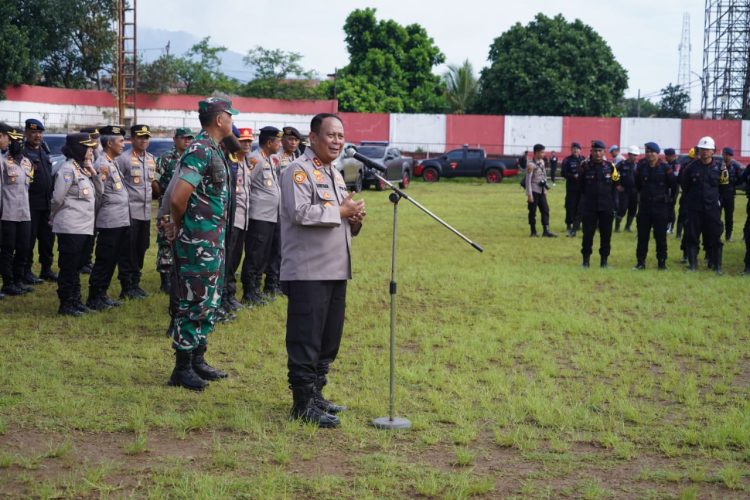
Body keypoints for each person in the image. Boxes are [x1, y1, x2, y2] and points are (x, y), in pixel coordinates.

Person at [279, 112, 365, 427]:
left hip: (335, 268)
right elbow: (300, 212)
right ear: (313, 138)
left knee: (328, 338)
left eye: (341, 136)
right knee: (306, 338)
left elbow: (338, 217)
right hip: (308, 270)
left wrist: (354, 219)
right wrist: (341, 210)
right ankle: (301, 404)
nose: (337, 141)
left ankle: (316, 394)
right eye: (331, 135)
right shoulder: (297, 172)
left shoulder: (335, 173)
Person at [163, 97, 237, 391]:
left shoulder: (214, 149)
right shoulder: (199, 149)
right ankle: (181, 368)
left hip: (212, 240)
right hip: (197, 242)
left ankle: (197, 360)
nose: (233, 121)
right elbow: (178, 198)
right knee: (193, 302)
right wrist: (183, 229)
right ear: (220, 119)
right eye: (230, 116)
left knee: (208, 301)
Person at [51, 133, 102, 316]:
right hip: (70, 227)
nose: (91, 150)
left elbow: (100, 192)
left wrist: (94, 172)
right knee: (68, 266)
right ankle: (66, 304)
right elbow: (57, 198)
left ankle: (76, 300)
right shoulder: (67, 169)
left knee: (77, 266)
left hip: (84, 227)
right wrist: (53, 216)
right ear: (79, 149)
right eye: (88, 148)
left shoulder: (82, 169)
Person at [86, 125, 130, 310]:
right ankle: (94, 297)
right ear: (109, 143)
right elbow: (98, 193)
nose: (123, 144)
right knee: (104, 259)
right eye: (120, 141)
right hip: (110, 221)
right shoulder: (102, 164)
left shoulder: (111, 162)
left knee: (112, 259)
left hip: (119, 220)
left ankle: (102, 294)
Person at [241, 126, 282, 304]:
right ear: (269, 142)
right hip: (258, 216)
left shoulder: (268, 159)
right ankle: (249, 291)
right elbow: (245, 185)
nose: (280, 145)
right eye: (278, 141)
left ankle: (256, 289)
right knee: (255, 255)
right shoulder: (255, 159)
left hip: (270, 216)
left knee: (263, 256)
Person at [115, 124, 156, 299]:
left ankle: (135, 282)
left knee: (142, 247)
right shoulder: (123, 159)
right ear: (132, 139)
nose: (143, 140)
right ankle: (126, 286)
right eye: (140, 137)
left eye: (146, 137)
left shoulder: (151, 159)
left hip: (146, 212)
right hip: (130, 212)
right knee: (128, 249)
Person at [154, 127, 194, 293]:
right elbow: (155, 181)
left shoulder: (191, 158)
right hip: (168, 205)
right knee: (165, 241)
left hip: (184, 206)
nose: (187, 141)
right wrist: (163, 196)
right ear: (175, 139)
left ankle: (178, 276)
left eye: (189, 138)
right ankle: (165, 280)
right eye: (183, 138)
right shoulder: (166, 158)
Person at [681, 136, 724, 273]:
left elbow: (724, 187)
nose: (705, 152)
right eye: (702, 149)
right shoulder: (690, 168)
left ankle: (717, 266)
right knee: (692, 236)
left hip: (712, 208)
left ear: (713, 151)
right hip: (695, 208)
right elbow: (685, 186)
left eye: (708, 150)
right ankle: (693, 266)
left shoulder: (720, 168)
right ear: (698, 151)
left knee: (715, 236)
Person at [0, 126, 34, 296]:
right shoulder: (4, 162)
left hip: (25, 212)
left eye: (20, 141)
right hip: (8, 212)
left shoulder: (27, 163)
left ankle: (18, 279)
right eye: (14, 141)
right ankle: (7, 282)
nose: (17, 144)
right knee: (8, 248)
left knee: (24, 247)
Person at [632, 142, 677, 270]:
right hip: (645, 206)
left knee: (661, 237)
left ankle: (662, 263)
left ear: (658, 153)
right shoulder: (641, 166)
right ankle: (640, 262)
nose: (649, 154)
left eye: (652, 152)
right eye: (647, 151)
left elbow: (674, 186)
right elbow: (637, 184)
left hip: (660, 206)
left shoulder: (665, 167)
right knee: (642, 236)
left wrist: (670, 203)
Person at [23, 118, 57, 284]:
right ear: (27, 134)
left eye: (40, 133)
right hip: (31, 204)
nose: (37, 136)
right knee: (28, 240)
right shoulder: (22, 152)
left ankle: (46, 269)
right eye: (34, 133)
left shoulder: (44, 150)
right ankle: (26, 271)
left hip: (46, 204)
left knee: (47, 239)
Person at [224, 127, 254, 310]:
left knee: (235, 258)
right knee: (228, 260)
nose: (247, 144)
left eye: (249, 141)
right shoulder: (230, 162)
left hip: (243, 218)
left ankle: (229, 295)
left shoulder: (244, 163)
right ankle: (225, 296)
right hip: (231, 219)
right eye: (243, 141)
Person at [578, 140, 619, 268]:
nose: (597, 153)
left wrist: (614, 204)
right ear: (591, 151)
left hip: (606, 207)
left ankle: (604, 262)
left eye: (600, 151)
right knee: (588, 234)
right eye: (595, 151)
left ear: (604, 152)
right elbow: (580, 186)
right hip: (589, 207)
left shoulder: (611, 166)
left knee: (606, 235)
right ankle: (585, 261)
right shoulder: (584, 167)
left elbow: (616, 184)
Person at [525, 143, 556, 237]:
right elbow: (528, 180)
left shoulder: (542, 162)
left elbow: (544, 175)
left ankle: (546, 231)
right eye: (542, 152)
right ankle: (533, 231)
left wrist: (545, 188)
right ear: (536, 153)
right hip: (534, 191)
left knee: (545, 210)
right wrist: (529, 195)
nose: (544, 154)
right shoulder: (531, 165)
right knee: (532, 211)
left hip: (541, 190)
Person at [719, 147, 743, 242]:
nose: (728, 157)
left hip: (730, 195)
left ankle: (728, 236)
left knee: (729, 217)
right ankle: (717, 235)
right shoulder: (718, 166)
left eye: (730, 155)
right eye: (726, 155)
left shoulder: (735, 167)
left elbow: (740, 178)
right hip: (719, 194)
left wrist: (733, 184)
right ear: (723, 155)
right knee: (716, 216)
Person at [561, 142, 584, 237]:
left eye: (577, 148)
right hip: (571, 187)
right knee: (570, 206)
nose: (575, 150)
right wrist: (572, 176)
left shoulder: (583, 160)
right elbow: (563, 173)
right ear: (571, 150)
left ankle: (577, 224)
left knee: (581, 206)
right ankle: (569, 224)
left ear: (580, 150)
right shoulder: (567, 160)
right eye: (574, 148)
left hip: (582, 188)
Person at [614, 146, 639, 233]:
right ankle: (617, 227)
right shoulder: (622, 164)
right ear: (629, 155)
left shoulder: (638, 166)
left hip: (635, 191)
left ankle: (627, 227)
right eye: (633, 155)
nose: (635, 157)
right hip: (624, 191)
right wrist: (617, 185)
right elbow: (614, 173)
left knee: (633, 209)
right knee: (622, 209)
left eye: (636, 155)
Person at [663, 148, 679, 234]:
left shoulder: (676, 165)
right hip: (667, 188)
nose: (665, 157)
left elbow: (675, 178)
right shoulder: (667, 164)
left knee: (670, 207)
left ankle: (670, 227)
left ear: (671, 156)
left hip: (673, 188)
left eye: (667, 156)